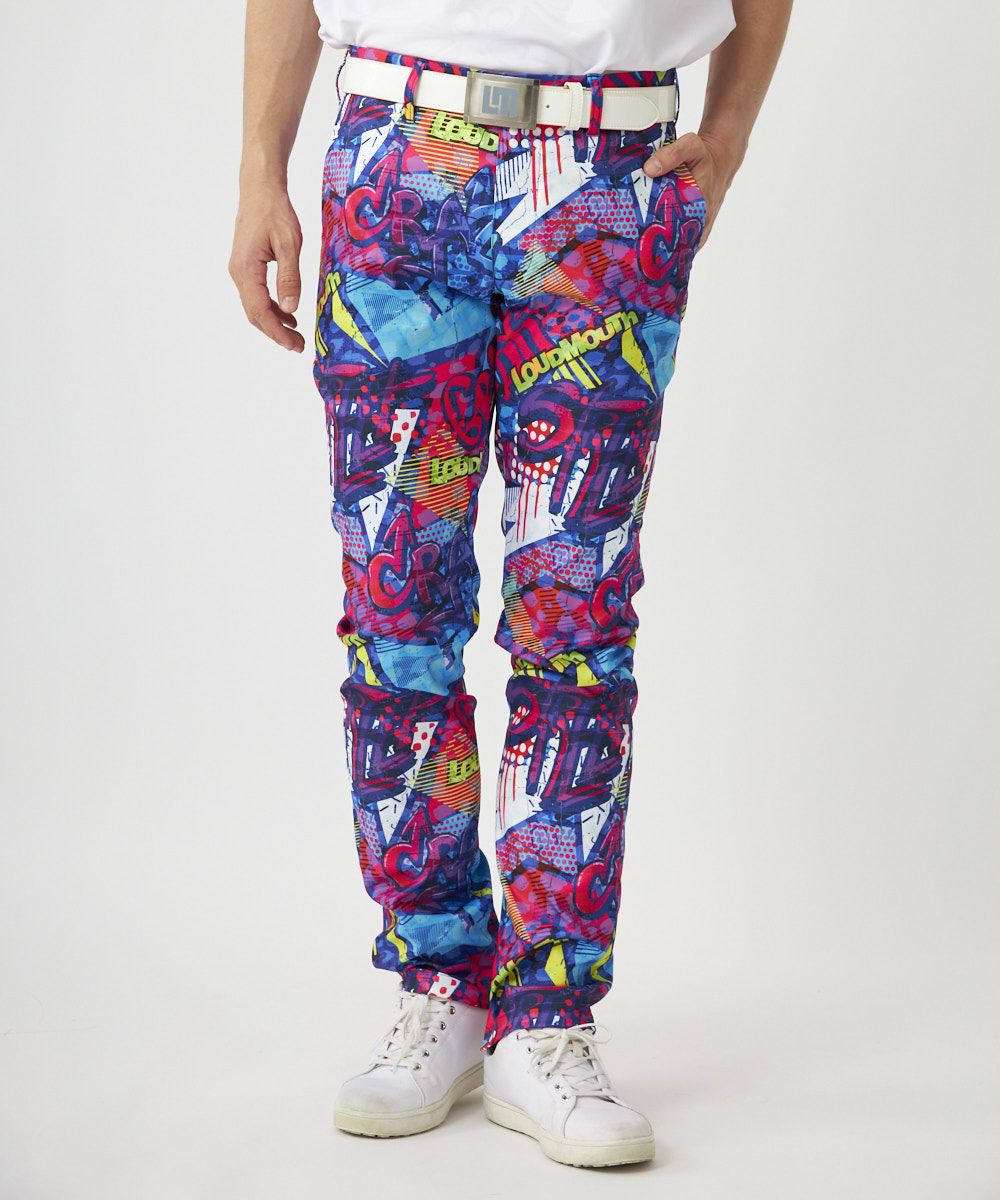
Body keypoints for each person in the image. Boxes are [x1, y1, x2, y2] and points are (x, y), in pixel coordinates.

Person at [229, 0, 792, 1168]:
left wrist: (731, 129)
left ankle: (545, 1018)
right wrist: (258, 170)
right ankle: (440, 984)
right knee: (397, 617)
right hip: (399, 158)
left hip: (611, 173)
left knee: (574, 619)